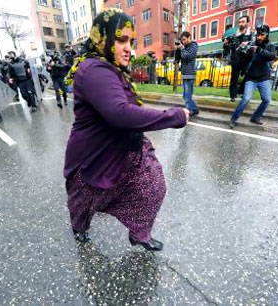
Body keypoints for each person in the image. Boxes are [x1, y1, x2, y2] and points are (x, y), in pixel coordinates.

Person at [64, 8, 190, 251]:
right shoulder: (93, 70)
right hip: (95, 156)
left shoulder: (109, 67)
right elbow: (120, 113)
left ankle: (140, 234)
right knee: (84, 202)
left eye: (130, 41)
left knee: (153, 187)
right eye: (121, 40)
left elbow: (128, 109)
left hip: (126, 149)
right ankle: (79, 228)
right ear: (103, 38)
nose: (128, 48)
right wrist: (173, 116)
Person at [229, 25, 276, 129]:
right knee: (246, 99)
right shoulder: (251, 45)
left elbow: (272, 56)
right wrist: (241, 49)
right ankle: (233, 119)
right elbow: (241, 58)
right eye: (258, 35)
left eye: (262, 35)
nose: (259, 37)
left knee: (267, 99)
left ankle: (256, 117)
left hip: (264, 78)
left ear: (267, 35)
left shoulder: (270, 45)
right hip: (251, 78)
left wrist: (259, 50)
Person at [223, 16, 254, 102]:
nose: (241, 24)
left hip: (246, 59)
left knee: (249, 76)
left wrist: (248, 44)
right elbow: (228, 48)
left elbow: (254, 46)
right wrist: (225, 44)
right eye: (240, 22)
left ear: (247, 23)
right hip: (236, 60)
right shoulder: (234, 36)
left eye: (243, 22)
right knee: (234, 78)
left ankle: (241, 91)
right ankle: (233, 96)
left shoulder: (251, 35)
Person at [175, 31, 199, 117]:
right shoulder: (183, 47)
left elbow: (187, 57)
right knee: (185, 97)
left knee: (187, 97)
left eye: (184, 40)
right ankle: (195, 109)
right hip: (184, 74)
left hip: (190, 74)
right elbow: (177, 59)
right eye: (182, 40)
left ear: (189, 37)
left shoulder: (194, 46)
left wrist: (182, 49)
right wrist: (177, 50)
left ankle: (189, 112)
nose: (183, 42)